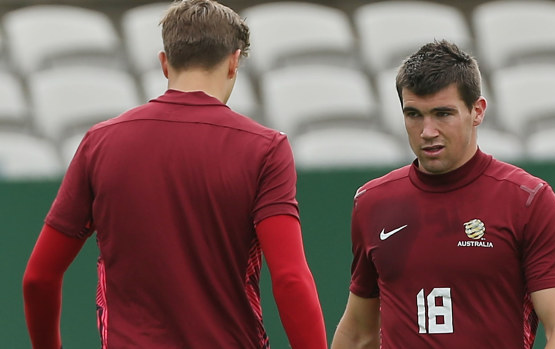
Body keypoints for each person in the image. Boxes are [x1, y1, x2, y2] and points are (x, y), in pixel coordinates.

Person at [22, 1, 328, 348]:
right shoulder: (265, 148)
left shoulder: (100, 143)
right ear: (233, 62)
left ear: (165, 63)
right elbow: (289, 278)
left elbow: (39, 278)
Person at [331, 40, 555, 348]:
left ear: (477, 111)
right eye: (413, 114)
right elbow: (359, 333)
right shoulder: (372, 202)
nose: (427, 131)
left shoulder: (527, 199)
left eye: (442, 114)